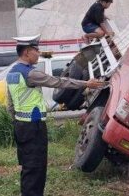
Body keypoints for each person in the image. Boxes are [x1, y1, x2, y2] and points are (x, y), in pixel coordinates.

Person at [7, 35, 105, 196]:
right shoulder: (30, 74)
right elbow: (59, 82)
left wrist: (17, 122)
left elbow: (10, 105)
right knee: (37, 168)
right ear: (26, 52)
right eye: (36, 50)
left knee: (28, 167)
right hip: (33, 127)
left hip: (21, 126)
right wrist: (86, 83)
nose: (38, 53)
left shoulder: (12, 73)